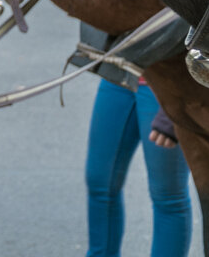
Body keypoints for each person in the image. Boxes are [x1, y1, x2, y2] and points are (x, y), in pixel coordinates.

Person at [73, 21, 193, 257]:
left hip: (169, 82)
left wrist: (179, 102)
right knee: (100, 183)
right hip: (121, 71)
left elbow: (206, 12)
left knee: (167, 195)